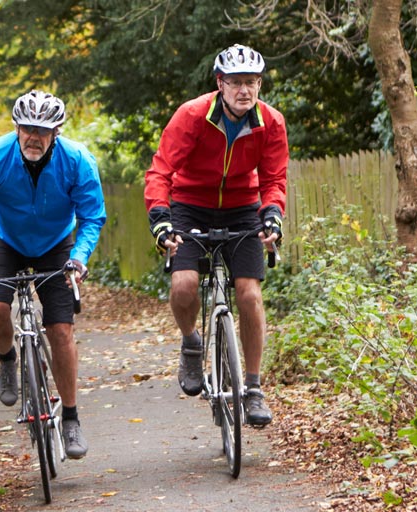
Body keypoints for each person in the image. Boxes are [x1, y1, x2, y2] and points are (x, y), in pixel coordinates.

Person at [0, 90, 106, 459]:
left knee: (61, 331)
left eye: (43, 129)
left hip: (56, 244)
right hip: (7, 240)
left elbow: (92, 217)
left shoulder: (78, 161)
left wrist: (80, 257)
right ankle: (8, 359)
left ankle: (70, 419)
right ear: (16, 127)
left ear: (57, 132)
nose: (34, 136)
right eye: (27, 128)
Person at [144, 44, 287, 426]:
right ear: (220, 83)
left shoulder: (270, 122)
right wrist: (160, 218)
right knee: (185, 285)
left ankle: (253, 388)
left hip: (242, 207)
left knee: (250, 294)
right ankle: (191, 343)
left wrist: (272, 215)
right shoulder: (191, 116)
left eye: (252, 82)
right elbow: (160, 172)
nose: (245, 91)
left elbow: (274, 180)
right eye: (237, 82)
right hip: (190, 203)